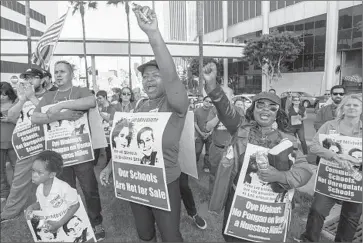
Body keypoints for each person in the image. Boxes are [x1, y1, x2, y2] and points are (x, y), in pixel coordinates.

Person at [100, 5, 188, 242]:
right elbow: (124, 144)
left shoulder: (175, 103)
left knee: (170, 236)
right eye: (145, 76)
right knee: (145, 234)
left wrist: (153, 34)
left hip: (165, 179)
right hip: (136, 179)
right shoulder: (139, 106)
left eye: (154, 75)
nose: (149, 79)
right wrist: (110, 167)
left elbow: (171, 76)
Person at [202, 61, 312, 242]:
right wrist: (212, 85)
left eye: (272, 107)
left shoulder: (287, 140)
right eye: (260, 105)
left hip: (270, 208)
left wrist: (279, 176)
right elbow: (224, 108)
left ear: (278, 113)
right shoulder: (240, 129)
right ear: (252, 110)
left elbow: (305, 171)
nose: (265, 110)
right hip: (238, 201)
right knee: (232, 238)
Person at [31, 60, 105, 241]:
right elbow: (34, 118)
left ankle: (96, 223)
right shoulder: (49, 97)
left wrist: (62, 105)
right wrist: (60, 115)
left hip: (81, 152)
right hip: (59, 155)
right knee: (66, 191)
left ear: (71, 73)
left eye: (62, 71)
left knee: (90, 190)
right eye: (55, 72)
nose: (58, 75)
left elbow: (91, 101)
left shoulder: (80, 91)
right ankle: (72, 221)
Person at [300, 94, 362, 242]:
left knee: (351, 218)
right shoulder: (329, 125)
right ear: (342, 108)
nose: (352, 107)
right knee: (317, 211)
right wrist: (333, 156)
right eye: (348, 105)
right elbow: (314, 146)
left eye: (356, 105)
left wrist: (354, 159)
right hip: (329, 179)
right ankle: (308, 240)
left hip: (355, 182)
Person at [1, 68, 61, 222]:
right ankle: (9, 213)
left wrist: (32, 97)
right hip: (26, 145)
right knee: (19, 181)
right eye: (26, 78)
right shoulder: (22, 98)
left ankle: (54, 207)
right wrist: (21, 100)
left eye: (32, 77)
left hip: (46, 144)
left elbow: (51, 115)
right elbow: (12, 115)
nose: (28, 81)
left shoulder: (51, 95)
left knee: (52, 179)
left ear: (42, 80)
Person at [25, 151, 80, 236]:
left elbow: (75, 205)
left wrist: (59, 223)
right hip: (51, 227)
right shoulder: (40, 189)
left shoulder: (63, 187)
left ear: (51, 175)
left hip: (66, 226)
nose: (34, 175)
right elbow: (42, 203)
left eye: (39, 172)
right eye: (33, 171)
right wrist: (31, 207)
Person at [314, 85, 345, 165]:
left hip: (345, 148)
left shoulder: (350, 110)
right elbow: (316, 125)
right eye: (335, 93)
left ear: (344, 95)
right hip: (326, 146)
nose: (338, 95)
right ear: (331, 95)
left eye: (341, 94)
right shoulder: (323, 109)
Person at [0, 82, 18, 208]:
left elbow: (25, 122)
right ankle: (3, 193)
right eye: (0, 94)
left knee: (17, 168)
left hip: (14, 140)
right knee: (1, 171)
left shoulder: (17, 103)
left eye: (5, 94)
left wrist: (9, 119)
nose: (2, 97)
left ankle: (17, 193)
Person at [96, 90, 116, 166]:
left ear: (105, 97)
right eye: (98, 98)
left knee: (109, 150)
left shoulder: (111, 107)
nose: (99, 100)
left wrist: (101, 114)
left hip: (109, 132)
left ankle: (108, 166)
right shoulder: (99, 107)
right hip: (102, 132)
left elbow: (110, 120)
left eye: (100, 98)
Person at [194, 96, 213, 173]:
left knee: (208, 152)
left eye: (210, 102)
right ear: (203, 101)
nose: (208, 103)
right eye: (206, 101)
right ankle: (194, 165)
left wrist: (209, 133)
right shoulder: (197, 111)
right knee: (197, 151)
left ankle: (206, 166)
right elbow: (195, 123)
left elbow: (215, 123)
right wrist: (201, 133)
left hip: (210, 135)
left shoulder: (213, 111)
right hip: (199, 134)